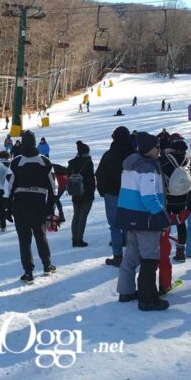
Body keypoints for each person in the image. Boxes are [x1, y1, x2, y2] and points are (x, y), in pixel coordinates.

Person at [116, 132, 172, 311]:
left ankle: (126, 292)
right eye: (157, 147)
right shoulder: (147, 168)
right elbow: (148, 197)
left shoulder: (130, 164)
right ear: (149, 149)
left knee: (131, 255)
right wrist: (162, 216)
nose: (159, 150)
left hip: (128, 216)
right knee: (149, 258)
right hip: (145, 218)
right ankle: (147, 299)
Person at [5, 130, 57, 284]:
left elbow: (7, 186)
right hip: (39, 204)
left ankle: (28, 272)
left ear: (23, 142)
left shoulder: (15, 162)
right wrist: (50, 207)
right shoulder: (45, 161)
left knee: (24, 240)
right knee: (41, 236)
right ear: (35, 143)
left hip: (20, 205)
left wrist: (7, 207)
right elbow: (54, 186)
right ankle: (47, 265)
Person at [96, 127, 135, 267]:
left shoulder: (108, 155)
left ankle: (118, 256)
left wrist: (103, 191)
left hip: (112, 194)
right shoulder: (134, 155)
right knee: (130, 225)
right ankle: (131, 255)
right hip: (131, 194)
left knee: (114, 226)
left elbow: (99, 174)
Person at [159, 137, 190, 262]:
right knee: (181, 223)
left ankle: (163, 248)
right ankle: (181, 251)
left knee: (165, 222)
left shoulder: (164, 160)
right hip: (182, 197)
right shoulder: (187, 161)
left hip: (167, 196)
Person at [67, 141, 95, 247]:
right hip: (87, 194)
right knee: (82, 217)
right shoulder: (88, 162)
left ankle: (74, 239)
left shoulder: (72, 163)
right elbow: (91, 180)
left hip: (75, 193)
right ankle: (79, 239)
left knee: (76, 216)